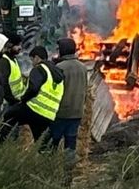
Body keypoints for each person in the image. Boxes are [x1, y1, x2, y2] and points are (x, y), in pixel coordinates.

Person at [48, 38, 88, 168]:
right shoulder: (83, 67)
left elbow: (53, 89)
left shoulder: (60, 67)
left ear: (62, 51)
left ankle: (50, 169)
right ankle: (68, 174)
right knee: (70, 146)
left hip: (61, 113)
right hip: (76, 113)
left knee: (52, 144)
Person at [17, 45, 65, 145]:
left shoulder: (39, 69)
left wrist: (23, 99)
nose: (32, 63)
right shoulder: (56, 72)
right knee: (42, 140)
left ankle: (2, 144)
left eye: (32, 60)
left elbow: (33, 88)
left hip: (35, 109)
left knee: (9, 116)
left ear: (37, 58)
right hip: (50, 114)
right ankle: (45, 157)